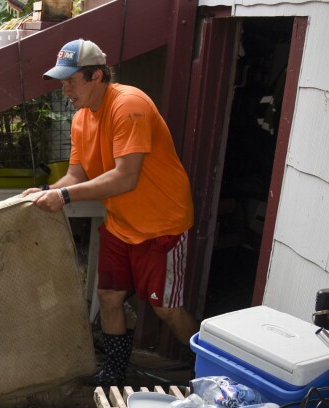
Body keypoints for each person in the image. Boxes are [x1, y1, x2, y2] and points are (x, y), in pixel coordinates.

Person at [25, 39, 199, 386]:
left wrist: (64, 195)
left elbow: (125, 177)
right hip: (121, 224)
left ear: (97, 76)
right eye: (62, 83)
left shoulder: (129, 105)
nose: (65, 90)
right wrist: (47, 191)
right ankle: (114, 374)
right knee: (109, 296)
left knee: (166, 309)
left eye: (71, 81)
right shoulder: (80, 119)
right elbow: (76, 176)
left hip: (161, 224)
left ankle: (211, 368)